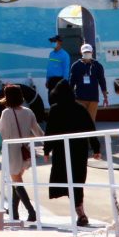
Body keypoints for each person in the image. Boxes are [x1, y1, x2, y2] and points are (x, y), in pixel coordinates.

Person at [44, 79, 101, 227]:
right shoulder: (80, 108)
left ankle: (80, 212)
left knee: (65, 179)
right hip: (79, 150)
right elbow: (90, 128)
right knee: (77, 181)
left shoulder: (55, 109)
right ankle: (80, 212)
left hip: (62, 151)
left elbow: (50, 131)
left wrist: (46, 150)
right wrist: (96, 148)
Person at [0, 84, 43, 222]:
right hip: (26, 151)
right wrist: (49, 145)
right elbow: (38, 132)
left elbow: (2, 134)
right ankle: (13, 211)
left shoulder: (6, 113)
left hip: (12, 152)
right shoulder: (29, 112)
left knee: (17, 182)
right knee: (17, 180)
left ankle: (31, 212)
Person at [70, 44, 108, 120]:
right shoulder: (75, 66)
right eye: (85, 52)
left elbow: (102, 81)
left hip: (93, 99)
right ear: (81, 52)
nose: (87, 54)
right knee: (81, 121)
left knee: (91, 121)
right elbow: (71, 83)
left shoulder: (98, 66)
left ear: (92, 52)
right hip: (80, 98)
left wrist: (105, 97)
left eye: (88, 52)